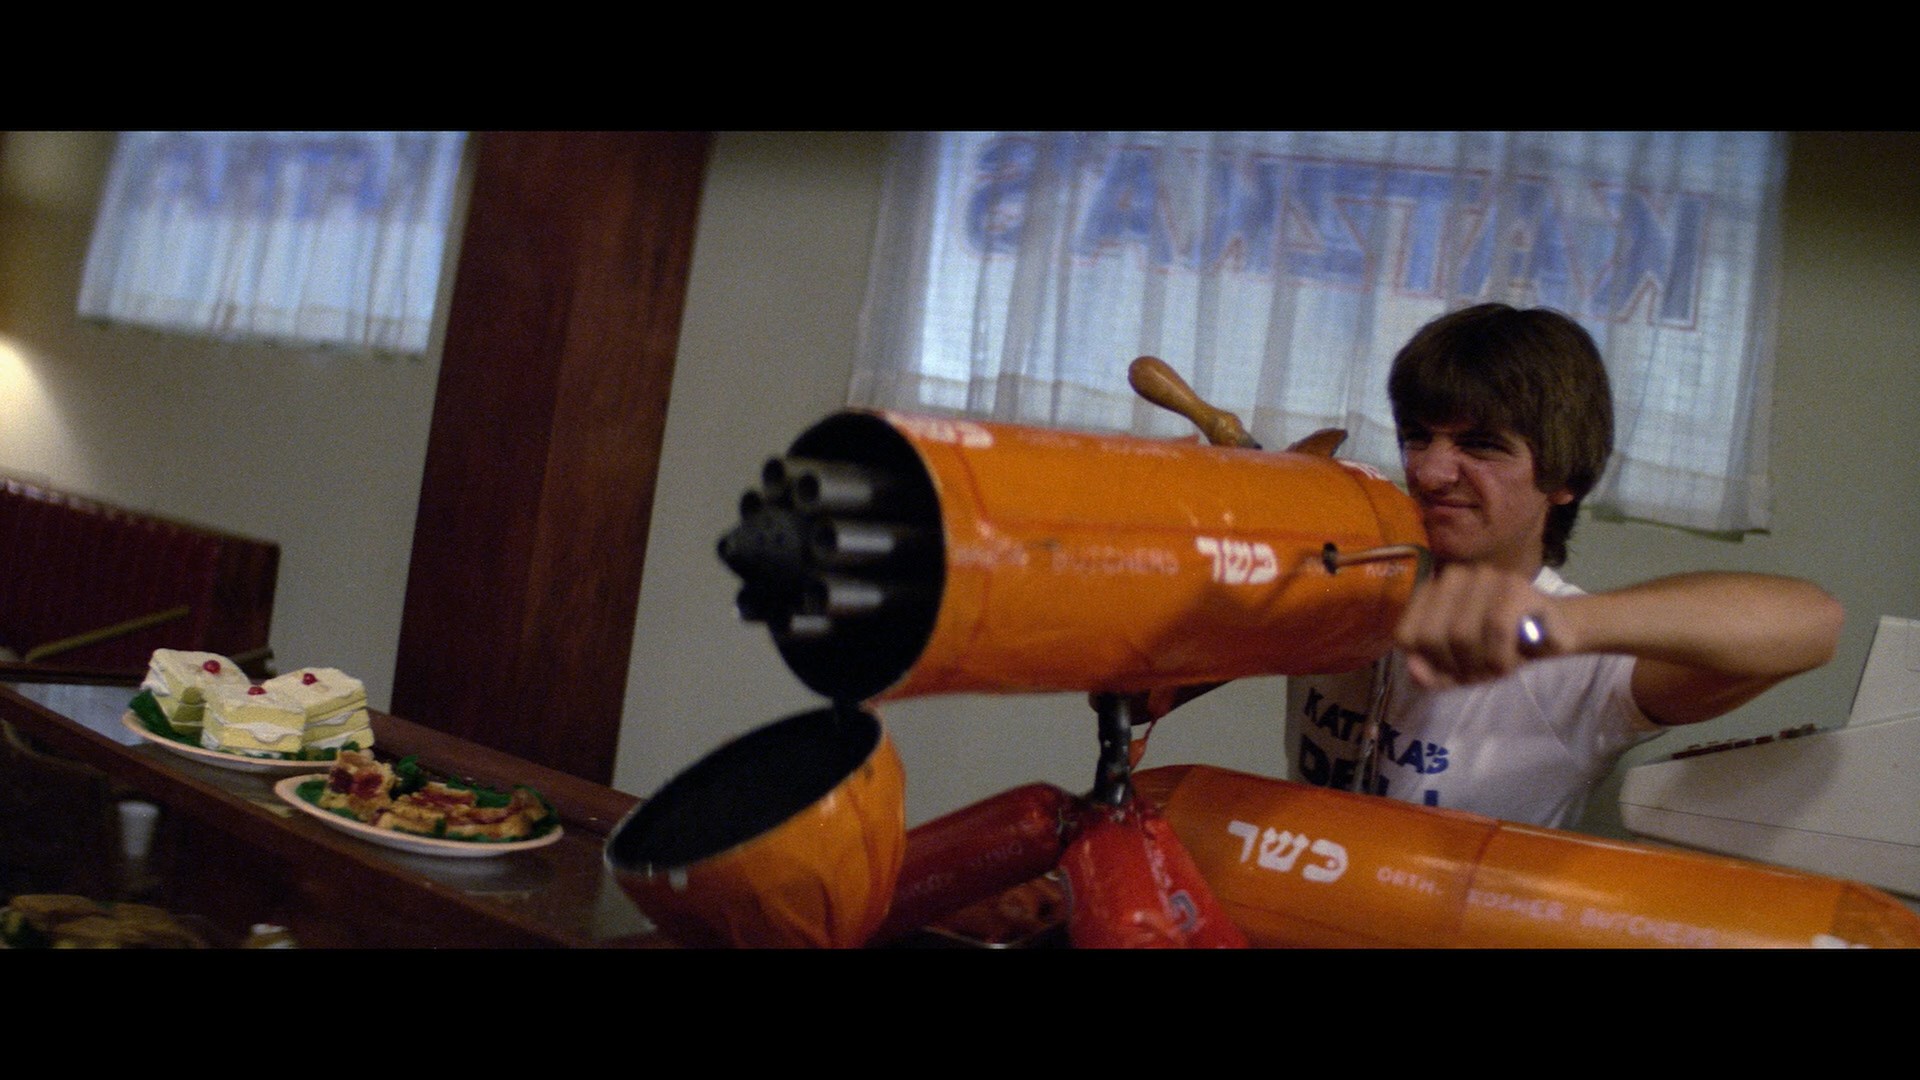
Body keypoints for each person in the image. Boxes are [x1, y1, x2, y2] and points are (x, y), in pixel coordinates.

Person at [1283, 303, 1844, 830]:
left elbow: (1812, 623)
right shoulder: (1346, 586)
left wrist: (1554, 624)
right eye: (1417, 437)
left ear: (1565, 478)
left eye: (1481, 446)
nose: (1429, 473)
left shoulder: (1578, 668)